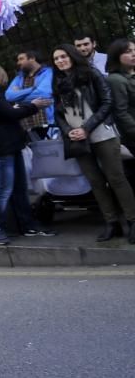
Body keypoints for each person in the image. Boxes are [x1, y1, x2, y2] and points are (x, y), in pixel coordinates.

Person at [51, 44, 135, 242]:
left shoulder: (91, 74)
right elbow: (58, 113)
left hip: (101, 133)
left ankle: (132, 220)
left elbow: (107, 103)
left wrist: (86, 128)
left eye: (63, 56)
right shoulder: (58, 81)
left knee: (116, 178)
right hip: (76, 138)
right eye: (56, 59)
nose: (60, 61)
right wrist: (67, 131)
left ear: (72, 56)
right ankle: (111, 223)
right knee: (95, 182)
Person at [0, 62, 57, 245]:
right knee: (6, 189)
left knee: (16, 188)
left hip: (5, 145)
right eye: (1, 77)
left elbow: (2, 114)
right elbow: (10, 114)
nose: (3, 81)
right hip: (1, 147)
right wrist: (33, 105)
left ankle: (27, 225)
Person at [5, 50, 55, 140]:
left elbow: (43, 94)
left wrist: (19, 96)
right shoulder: (19, 78)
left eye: (21, 59)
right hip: (25, 126)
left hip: (47, 123)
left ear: (32, 58)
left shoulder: (48, 73)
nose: (18, 62)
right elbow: (9, 96)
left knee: (52, 151)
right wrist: (32, 89)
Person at [105, 38, 135, 154]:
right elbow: (121, 112)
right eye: (128, 51)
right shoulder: (116, 80)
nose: (134, 54)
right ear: (116, 56)